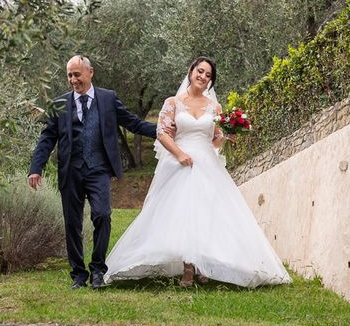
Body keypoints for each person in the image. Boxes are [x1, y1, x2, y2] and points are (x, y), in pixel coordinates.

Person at [104, 57, 292, 288]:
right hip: (179, 162)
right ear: (191, 72)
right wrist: (180, 154)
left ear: (211, 81)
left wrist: (226, 136)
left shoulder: (215, 107)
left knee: (207, 213)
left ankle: (203, 264)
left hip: (206, 163)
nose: (203, 77)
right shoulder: (172, 102)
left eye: (208, 75)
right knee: (183, 213)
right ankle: (188, 269)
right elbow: (162, 133)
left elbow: (213, 140)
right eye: (200, 71)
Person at [28, 55, 159, 290]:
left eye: (77, 74)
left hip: (98, 169)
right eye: (69, 75)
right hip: (70, 172)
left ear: (90, 72)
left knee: (102, 215)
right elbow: (47, 138)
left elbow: (133, 123)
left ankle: (98, 270)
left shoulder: (107, 99)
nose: (73, 79)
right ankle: (78, 275)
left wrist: (163, 131)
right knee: (72, 224)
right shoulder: (59, 104)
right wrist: (35, 168)